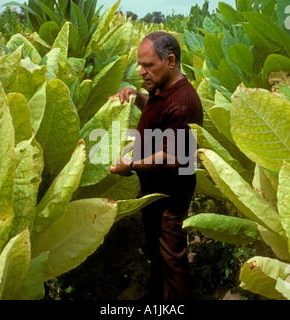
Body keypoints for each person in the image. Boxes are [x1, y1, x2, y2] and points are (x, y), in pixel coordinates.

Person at [109, 31, 203, 300]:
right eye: (140, 64)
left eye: (148, 65)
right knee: (157, 253)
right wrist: (135, 95)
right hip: (156, 190)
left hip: (170, 195)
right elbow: (157, 107)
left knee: (172, 258)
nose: (141, 71)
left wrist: (132, 164)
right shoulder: (164, 89)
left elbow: (174, 156)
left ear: (170, 61)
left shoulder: (184, 102)